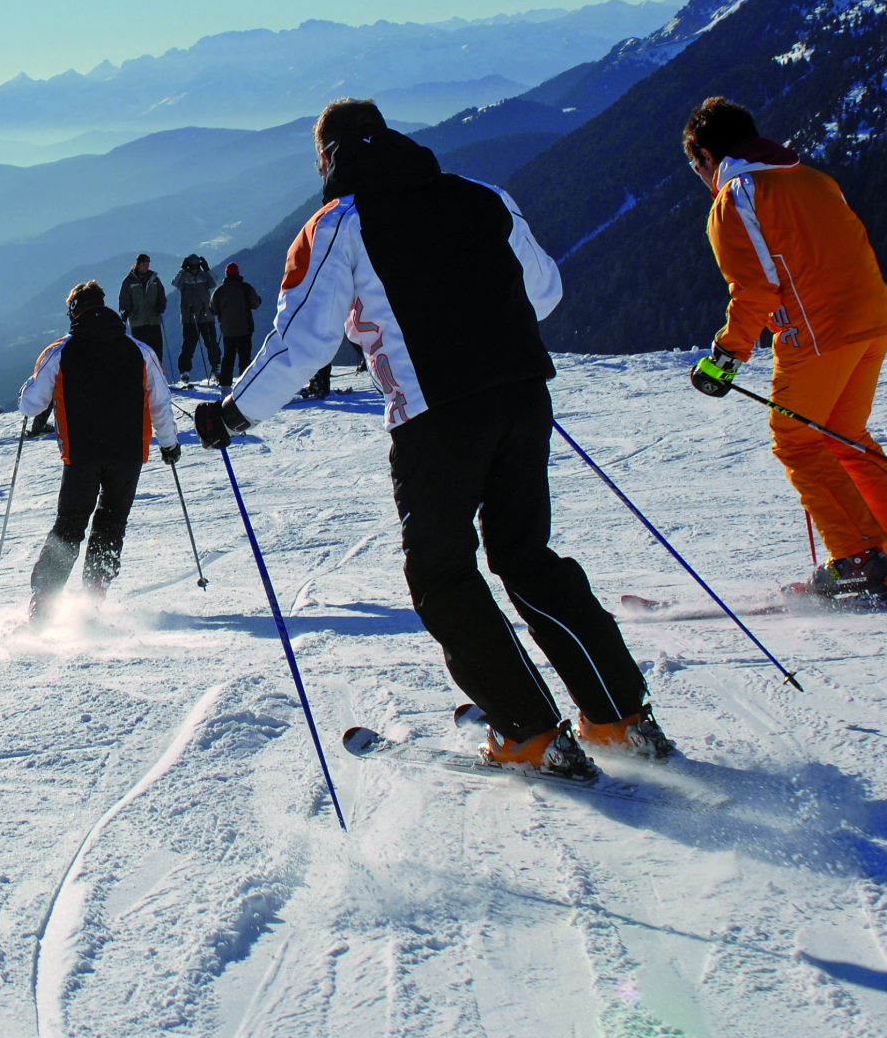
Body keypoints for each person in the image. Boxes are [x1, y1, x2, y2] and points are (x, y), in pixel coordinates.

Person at [193, 98, 668, 781]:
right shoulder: (481, 195)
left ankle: (529, 730)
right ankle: (618, 714)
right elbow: (545, 289)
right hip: (522, 392)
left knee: (442, 574)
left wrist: (232, 414)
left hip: (436, 416)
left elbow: (302, 342)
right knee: (526, 556)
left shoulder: (339, 223)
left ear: (326, 157)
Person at [683, 97, 887, 593]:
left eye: (696, 165)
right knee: (844, 434)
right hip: (873, 320)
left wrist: (726, 357)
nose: (698, 175)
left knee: (796, 439)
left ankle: (858, 554)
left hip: (818, 332)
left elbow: (755, 289)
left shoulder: (737, 196)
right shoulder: (815, 179)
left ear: (708, 156)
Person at [17, 281, 180, 623]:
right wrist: (169, 444)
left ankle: (44, 602)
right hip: (128, 453)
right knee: (111, 523)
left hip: (82, 453)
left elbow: (31, 406)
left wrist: (27, 387)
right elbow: (161, 403)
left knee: (70, 525)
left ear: (73, 311)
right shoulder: (138, 349)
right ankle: (94, 597)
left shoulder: (61, 351)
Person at [212, 261, 262, 392]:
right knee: (245, 357)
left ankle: (225, 386)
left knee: (228, 357)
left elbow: (213, 309)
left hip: (228, 330)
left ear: (226, 274)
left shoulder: (220, 291)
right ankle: (245, 384)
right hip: (245, 329)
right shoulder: (246, 288)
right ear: (238, 273)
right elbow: (255, 304)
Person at [172, 255, 221, 384]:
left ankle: (216, 368)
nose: (194, 269)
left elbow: (215, 283)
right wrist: (182, 270)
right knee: (188, 345)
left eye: (196, 266)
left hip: (206, 316)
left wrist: (207, 269)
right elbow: (175, 283)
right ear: (187, 266)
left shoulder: (204, 276)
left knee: (211, 344)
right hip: (189, 317)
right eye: (191, 267)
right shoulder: (184, 277)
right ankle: (185, 371)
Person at [116, 253, 168, 365]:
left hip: (154, 320)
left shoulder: (155, 280)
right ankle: (144, 378)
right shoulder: (128, 281)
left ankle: (159, 376)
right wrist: (125, 312)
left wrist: (161, 306)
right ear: (138, 265)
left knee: (157, 351)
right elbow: (123, 299)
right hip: (138, 323)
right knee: (141, 353)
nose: (146, 266)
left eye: (147, 264)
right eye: (144, 264)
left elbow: (161, 295)